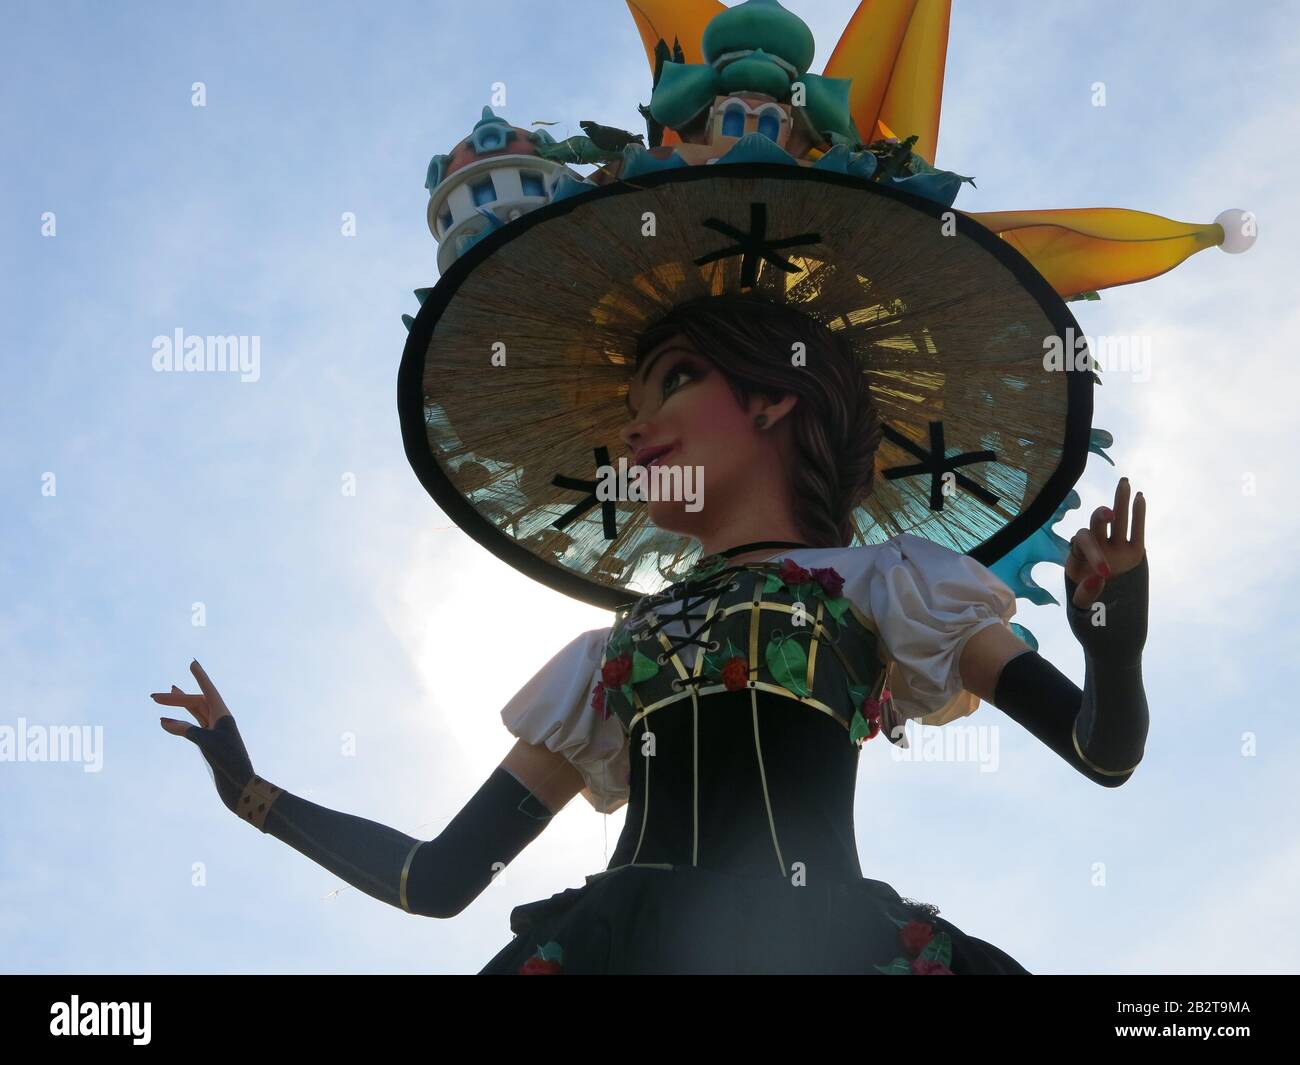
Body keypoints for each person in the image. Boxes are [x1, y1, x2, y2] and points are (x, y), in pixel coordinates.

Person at [154, 294, 1149, 974]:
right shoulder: (603, 657)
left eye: (671, 383)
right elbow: (437, 879)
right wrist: (249, 788)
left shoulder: (898, 583)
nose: (633, 433)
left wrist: (1111, 644)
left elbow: (1099, 753)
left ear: (771, 395)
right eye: (628, 412)